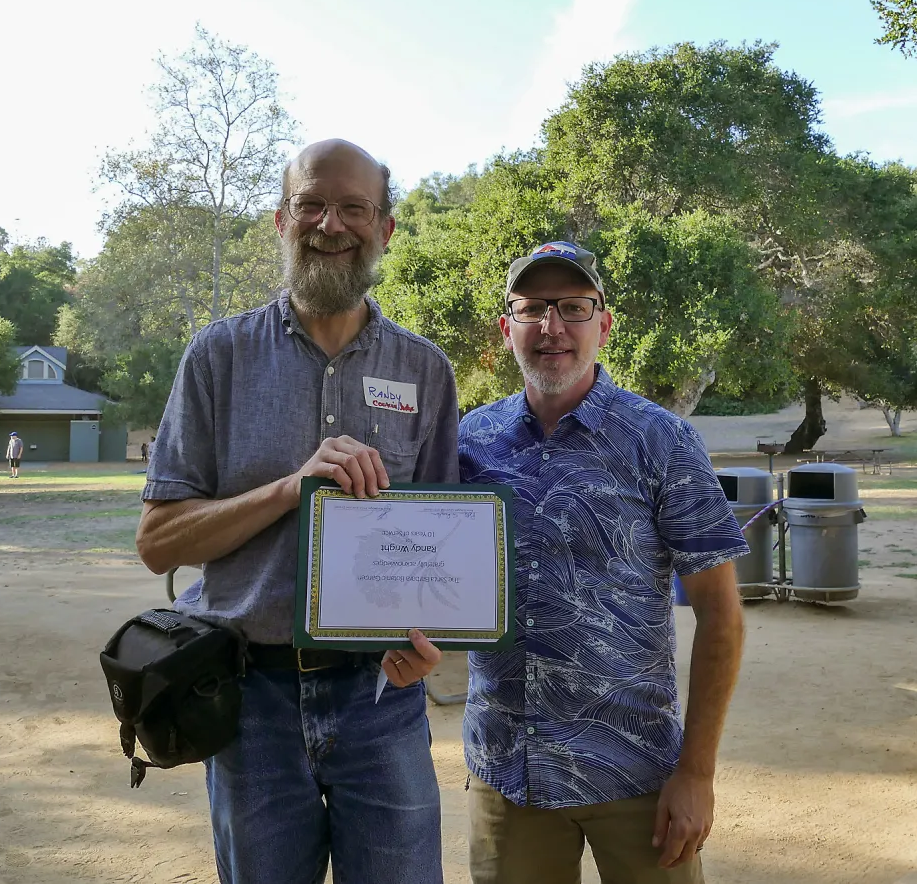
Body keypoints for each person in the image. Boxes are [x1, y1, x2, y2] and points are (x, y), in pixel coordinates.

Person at [137, 138, 461, 884]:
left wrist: (430, 636)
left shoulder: (424, 370)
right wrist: (292, 489)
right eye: (312, 204)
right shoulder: (217, 357)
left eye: (354, 207)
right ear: (281, 221)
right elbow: (157, 543)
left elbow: (446, 542)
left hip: (382, 700)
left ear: (385, 229)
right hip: (250, 703)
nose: (331, 223)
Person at [458, 241, 750, 884]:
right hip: (510, 773)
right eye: (532, 308)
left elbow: (721, 615)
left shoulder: (663, 441)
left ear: (604, 323)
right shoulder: (467, 443)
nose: (552, 327)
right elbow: (432, 580)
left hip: (636, 772)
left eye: (573, 307)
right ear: (507, 326)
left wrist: (696, 773)